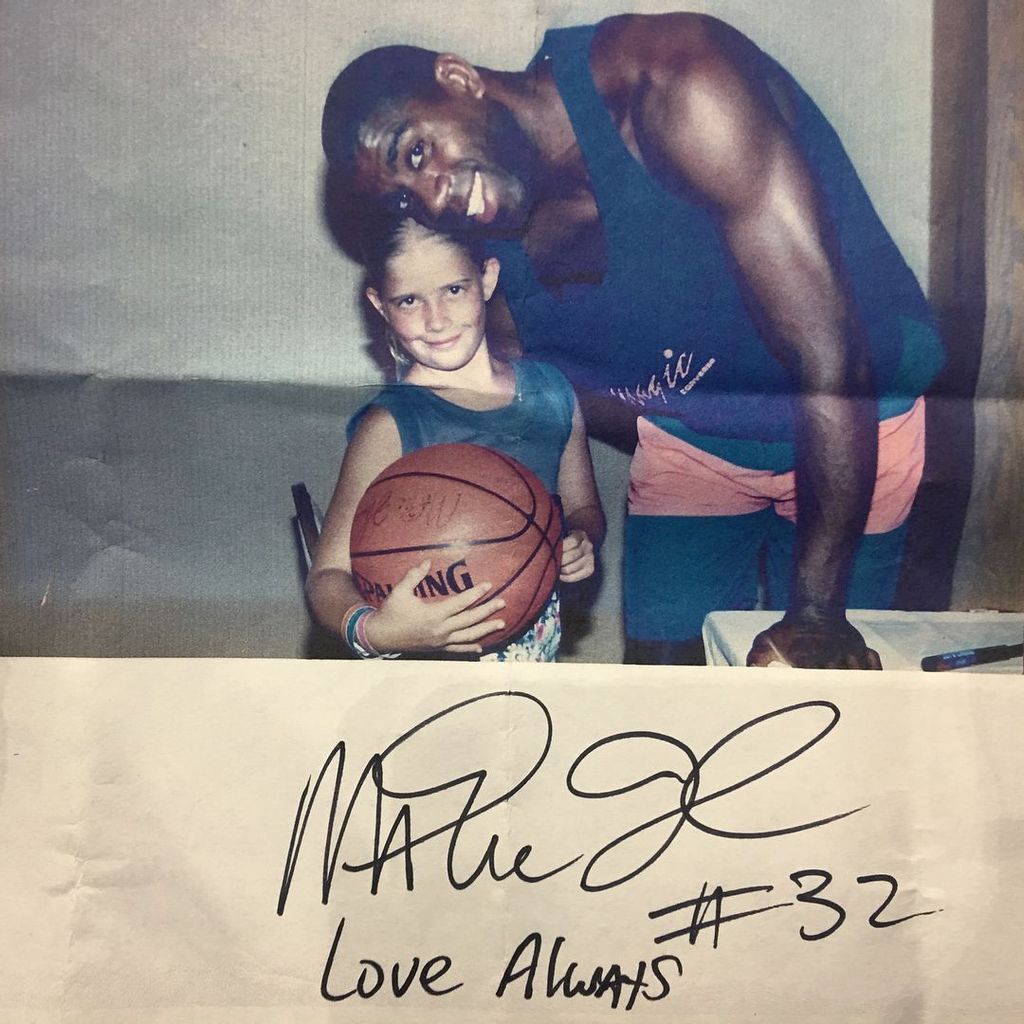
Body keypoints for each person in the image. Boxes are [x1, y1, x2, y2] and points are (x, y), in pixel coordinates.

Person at [320, 12, 945, 669]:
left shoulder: (678, 81)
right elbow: (540, 404)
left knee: (828, 694)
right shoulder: (484, 255)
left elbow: (829, 355)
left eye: (416, 152)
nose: (432, 196)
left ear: (458, 78)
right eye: (402, 199)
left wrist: (817, 616)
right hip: (694, 441)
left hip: (858, 414)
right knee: (662, 704)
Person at [307, 217, 605, 660]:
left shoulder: (551, 393)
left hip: (534, 652)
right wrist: (375, 631)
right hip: (425, 665)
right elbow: (327, 575)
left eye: (453, 290)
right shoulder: (391, 424)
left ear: (487, 278)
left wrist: (579, 538)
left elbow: (585, 509)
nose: (437, 319)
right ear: (381, 305)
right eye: (409, 300)